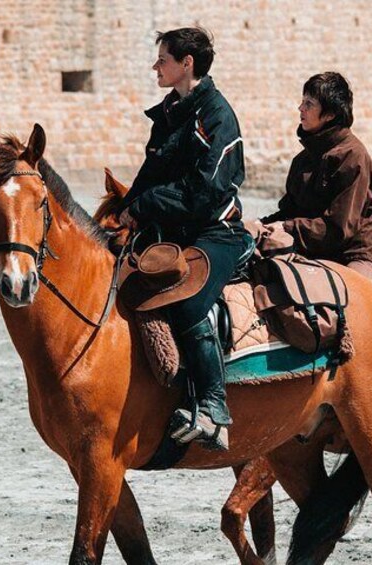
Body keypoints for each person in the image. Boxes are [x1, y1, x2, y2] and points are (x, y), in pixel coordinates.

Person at [119, 27, 250, 451]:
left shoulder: (217, 114)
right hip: (173, 233)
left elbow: (204, 192)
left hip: (217, 232)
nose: (156, 67)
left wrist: (146, 203)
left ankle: (214, 408)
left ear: (186, 62)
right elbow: (150, 172)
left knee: (190, 301)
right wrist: (127, 209)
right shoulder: (170, 112)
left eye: (162, 60)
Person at [260, 72, 372, 282]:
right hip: (312, 248)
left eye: (309, 104)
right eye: (302, 101)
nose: (300, 109)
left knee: (348, 300)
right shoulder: (303, 160)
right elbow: (289, 212)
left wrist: (286, 227)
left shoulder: (352, 155)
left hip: (353, 252)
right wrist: (259, 226)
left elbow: (339, 228)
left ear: (329, 115)